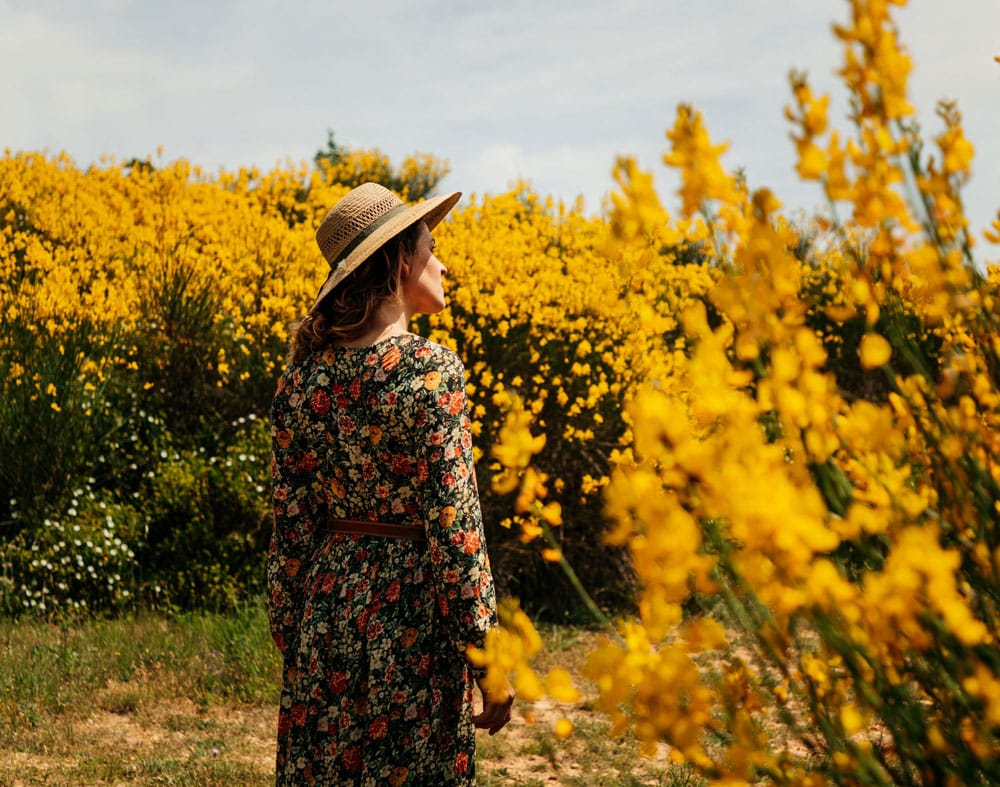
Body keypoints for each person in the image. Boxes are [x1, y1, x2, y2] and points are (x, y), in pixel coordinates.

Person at [267, 182, 514, 785]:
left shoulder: (300, 382)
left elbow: (290, 529)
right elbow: (456, 529)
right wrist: (488, 654)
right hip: (413, 617)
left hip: (326, 614)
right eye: (432, 247)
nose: (443, 262)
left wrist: (293, 627)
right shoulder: (431, 372)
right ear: (401, 261)